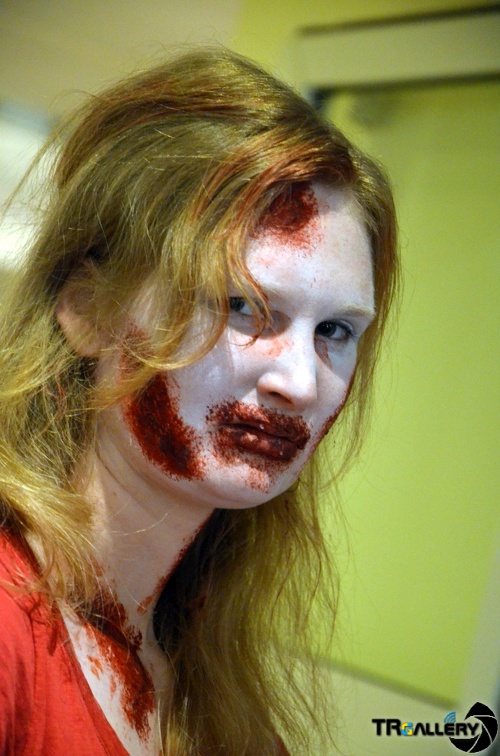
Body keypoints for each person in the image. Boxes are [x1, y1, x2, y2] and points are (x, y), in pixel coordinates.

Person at [0, 48, 398, 755]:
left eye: (336, 331)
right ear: (87, 309)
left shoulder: (216, 694)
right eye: (242, 306)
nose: (301, 384)